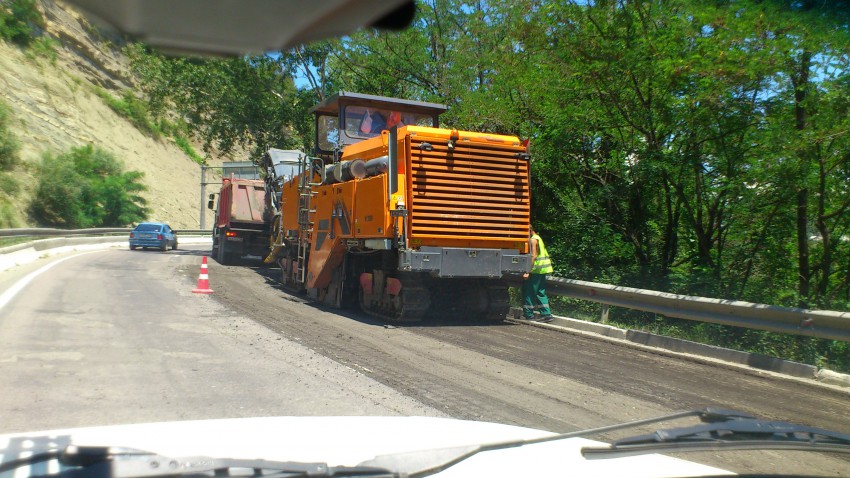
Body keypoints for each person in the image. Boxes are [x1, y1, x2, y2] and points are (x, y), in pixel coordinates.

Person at [522, 227, 554, 322]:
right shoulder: (538, 238)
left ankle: (529, 314)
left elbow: (534, 255)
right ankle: (546, 314)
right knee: (540, 292)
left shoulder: (533, 240)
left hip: (535, 270)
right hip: (542, 269)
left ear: (529, 231)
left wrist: (527, 271)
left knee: (529, 292)